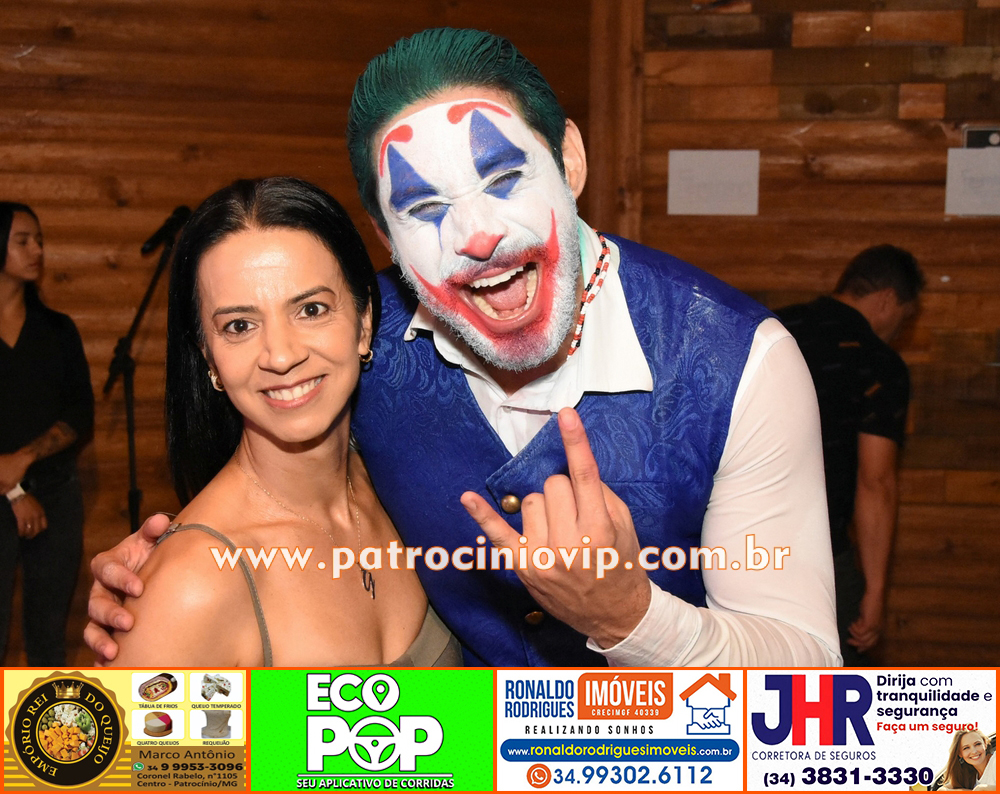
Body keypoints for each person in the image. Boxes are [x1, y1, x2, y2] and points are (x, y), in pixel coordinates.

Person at [87, 28, 839, 667]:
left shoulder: (738, 364)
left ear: (570, 160)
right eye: (423, 206)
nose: (477, 235)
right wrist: (170, 582)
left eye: (504, 176)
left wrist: (632, 617)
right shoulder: (358, 342)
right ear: (384, 236)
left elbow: (810, 671)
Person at [107, 177, 460, 667]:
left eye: (311, 309)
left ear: (363, 323)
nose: (281, 355)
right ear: (209, 357)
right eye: (240, 326)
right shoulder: (192, 587)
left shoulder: (401, 477)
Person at [776, 245, 923, 665]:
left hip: (730, 546)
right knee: (833, 689)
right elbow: (875, 482)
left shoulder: (770, 328)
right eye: (905, 317)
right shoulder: (877, 363)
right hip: (818, 556)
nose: (899, 328)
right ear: (888, 300)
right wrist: (874, 592)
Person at [0, 202, 94, 666]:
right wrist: (14, 489)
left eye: (39, 240)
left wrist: (25, 459)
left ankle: (49, 714)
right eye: (23, 241)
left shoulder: (57, 330)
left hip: (57, 494)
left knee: (48, 636)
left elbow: (80, 413)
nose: (37, 250)